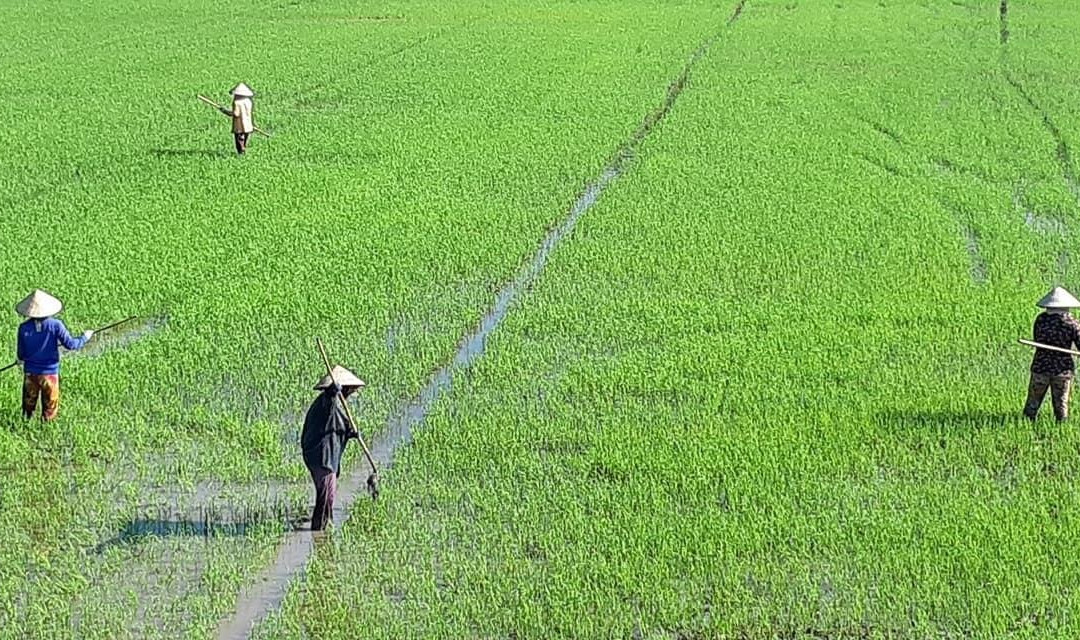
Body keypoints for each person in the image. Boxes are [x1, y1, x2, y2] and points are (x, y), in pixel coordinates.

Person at [301, 365, 365, 531]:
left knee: (329, 495)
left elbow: (336, 427)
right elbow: (328, 405)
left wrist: (351, 433)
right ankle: (318, 532)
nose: (350, 394)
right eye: (349, 390)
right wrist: (332, 392)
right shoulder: (327, 402)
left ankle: (324, 527)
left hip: (327, 456)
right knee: (325, 498)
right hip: (321, 456)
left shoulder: (336, 406)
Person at [14, 290, 94, 421]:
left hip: (30, 374)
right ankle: (45, 432)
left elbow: (21, 354)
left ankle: (24, 428)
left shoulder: (23, 328)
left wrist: (20, 360)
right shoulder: (56, 325)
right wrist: (85, 337)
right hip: (50, 374)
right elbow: (71, 344)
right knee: (50, 410)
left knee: (28, 410)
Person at [1024, 286, 1080, 422]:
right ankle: (1061, 427)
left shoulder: (1041, 319)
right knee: (1061, 405)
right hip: (1062, 370)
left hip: (1040, 366)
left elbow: (1038, 339)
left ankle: (1026, 424)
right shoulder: (1072, 323)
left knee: (1032, 403)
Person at [220, 83, 255, 155]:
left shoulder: (237, 102)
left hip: (239, 125)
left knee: (239, 139)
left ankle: (241, 151)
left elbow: (236, 114)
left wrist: (225, 111)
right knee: (244, 138)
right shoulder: (249, 101)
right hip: (248, 124)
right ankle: (243, 149)